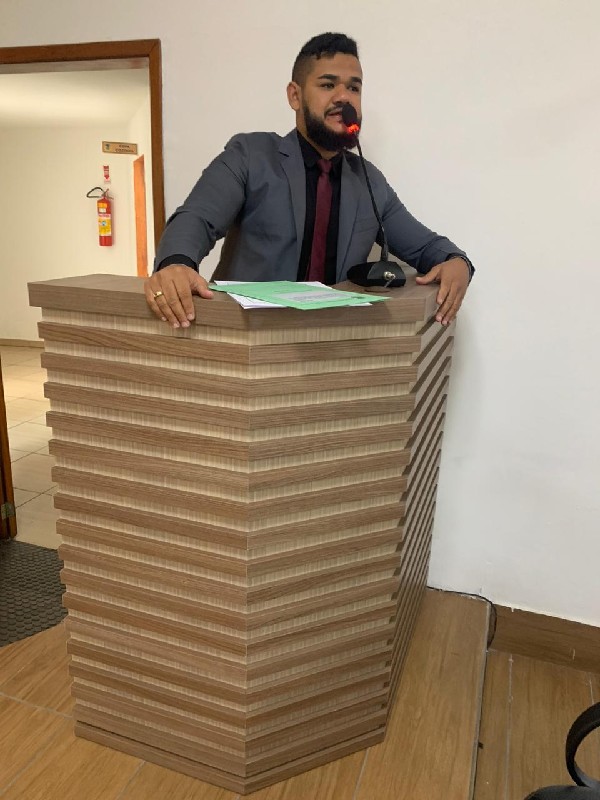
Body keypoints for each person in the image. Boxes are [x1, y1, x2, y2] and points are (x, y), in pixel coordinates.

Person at [145, 32, 473, 329]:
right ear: (295, 96)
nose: (344, 98)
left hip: (330, 352)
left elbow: (427, 247)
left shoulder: (369, 180)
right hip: (248, 346)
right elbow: (197, 217)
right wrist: (176, 263)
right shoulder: (250, 155)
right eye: (328, 85)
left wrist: (457, 262)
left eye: (354, 88)